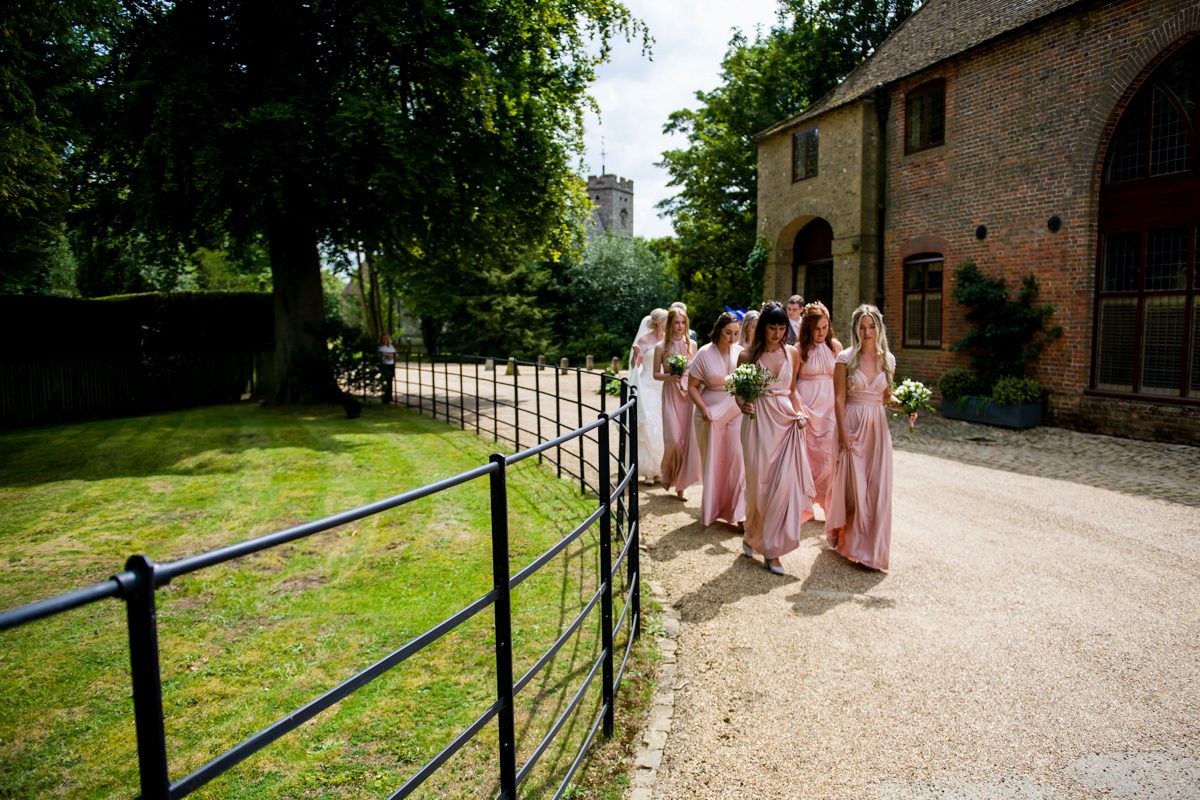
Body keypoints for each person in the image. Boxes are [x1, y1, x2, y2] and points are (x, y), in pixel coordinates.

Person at [824, 304, 904, 572]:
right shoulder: (845, 359)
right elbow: (838, 398)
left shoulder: (889, 360)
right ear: (855, 329)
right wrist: (844, 434)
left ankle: (872, 552)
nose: (867, 332)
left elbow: (886, 396)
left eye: (871, 326)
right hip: (853, 425)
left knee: (877, 490)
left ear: (879, 328)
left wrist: (906, 405)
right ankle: (851, 544)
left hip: (878, 430)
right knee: (855, 490)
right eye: (862, 326)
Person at [737, 301, 815, 575]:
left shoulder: (792, 353)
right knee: (759, 487)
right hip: (757, 422)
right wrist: (741, 404)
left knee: (782, 488)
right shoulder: (747, 356)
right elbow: (739, 391)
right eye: (773, 328)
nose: (778, 333)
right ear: (762, 328)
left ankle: (773, 551)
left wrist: (801, 412)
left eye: (782, 328)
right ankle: (750, 533)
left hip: (785, 423)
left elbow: (792, 390)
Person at [687, 312, 745, 528]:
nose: (732, 338)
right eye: (728, 333)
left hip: (736, 409)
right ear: (719, 330)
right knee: (716, 461)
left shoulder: (741, 353)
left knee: (738, 459)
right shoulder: (703, 353)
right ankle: (714, 509)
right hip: (710, 413)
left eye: (736, 334)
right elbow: (692, 387)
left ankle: (739, 514)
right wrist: (702, 409)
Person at [795, 302, 843, 511]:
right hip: (807, 406)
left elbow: (842, 381)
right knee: (807, 455)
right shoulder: (798, 350)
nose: (821, 332)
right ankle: (805, 503)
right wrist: (799, 408)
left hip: (830, 407)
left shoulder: (836, 347)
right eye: (817, 329)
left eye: (825, 328)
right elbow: (790, 384)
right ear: (808, 328)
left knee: (828, 456)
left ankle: (827, 500)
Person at [654, 306, 701, 499]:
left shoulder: (692, 345)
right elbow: (655, 374)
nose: (680, 326)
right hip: (671, 393)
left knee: (686, 442)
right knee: (673, 440)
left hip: (688, 396)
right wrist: (670, 376)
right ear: (670, 324)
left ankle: (681, 486)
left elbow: (697, 371)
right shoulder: (660, 347)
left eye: (683, 323)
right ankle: (667, 472)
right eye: (676, 323)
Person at [628, 309, 668, 483]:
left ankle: (659, 468)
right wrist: (636, 355)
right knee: (651, 425)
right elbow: (635, 365)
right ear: (658, 322)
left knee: (664, 427)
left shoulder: (668, 339)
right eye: (666, 320)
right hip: (648, 386)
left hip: (664, 386)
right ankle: (648, 471)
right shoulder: (644, 340)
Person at [378, 334, 397, 403]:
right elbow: (387, 356)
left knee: (390, 380)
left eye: (386, 338)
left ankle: (389, 396)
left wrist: (391, 355)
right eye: (383, 338)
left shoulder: (391, 346)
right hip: (385, 365)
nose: (385, 340)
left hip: (391, 364)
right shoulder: (381, 348)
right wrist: (390, 355)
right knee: (387, 380)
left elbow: (395, 355)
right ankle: (386, 397)